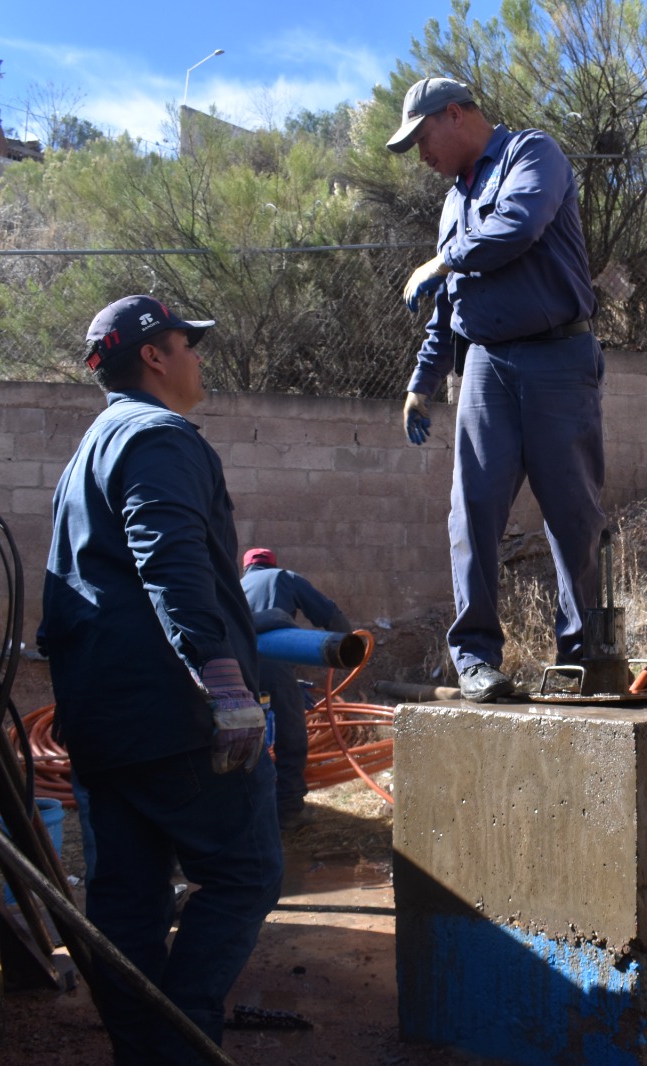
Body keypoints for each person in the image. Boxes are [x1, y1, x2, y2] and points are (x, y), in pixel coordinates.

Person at [39, 294, 281, 1064]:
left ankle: (146, 1052)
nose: (198, 357)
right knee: (245, 874)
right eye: (189, 344)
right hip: (174, 717)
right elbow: (169, 555)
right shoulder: (157, 436)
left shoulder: (88, 453)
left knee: (128, 906)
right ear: (153, 354)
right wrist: (223, 682)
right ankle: (181, 1043)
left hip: (106, 724)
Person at [390, 77, 606, 703]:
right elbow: (445, 307)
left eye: (422, 138)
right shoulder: (452, 205)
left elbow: (517, 226)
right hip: (484, 365)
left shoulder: (534, 154)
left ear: (453, 115)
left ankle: (581, 657)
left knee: (572, 516)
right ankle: (477, 659)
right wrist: (421, 383)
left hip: (559, 357)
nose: (421, 155)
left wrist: (444, 260)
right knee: (472, 514)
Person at [240, 547, 353, 830]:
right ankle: (289, 809)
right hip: (274, 659)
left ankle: (246, 806)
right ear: (272, 563)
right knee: (291, 732)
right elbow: (328, 614)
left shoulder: (236, 586)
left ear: (246, 568)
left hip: (237, 666)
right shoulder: (284, 577)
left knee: (243, 734)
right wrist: (349, 643)